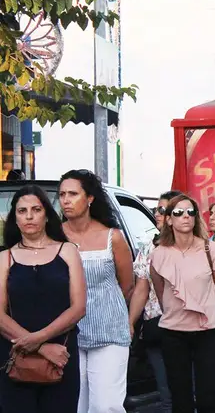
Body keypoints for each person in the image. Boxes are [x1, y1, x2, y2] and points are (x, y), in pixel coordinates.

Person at [0, 185, 86, 413]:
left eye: (36, 209)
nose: (29, 216)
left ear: (46, 215)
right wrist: (42, 347)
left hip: (62, 356)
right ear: (14, 218)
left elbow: (78, 308)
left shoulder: (68, 251)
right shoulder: (4, 257)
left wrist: (39, 340)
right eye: (22, 211)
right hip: (15, 357)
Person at [59, 170, 132, 413]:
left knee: (106, 405)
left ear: (90, 198)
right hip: (67, 332)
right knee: (74, 404)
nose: (66, 200)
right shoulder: (54, 237)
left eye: (73, 194)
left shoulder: (113, 237)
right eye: (61, 195)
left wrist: (104, 305)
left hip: (109, 330)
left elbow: (126, 284)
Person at [150, 195, 215, 413]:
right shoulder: (159, 254)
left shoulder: (211, 250)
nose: (186, 216)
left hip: (208, 332)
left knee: (208, 395)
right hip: (173, 332)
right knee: (179, 396)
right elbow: (160, 290)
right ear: (169, 220)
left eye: (191, 212)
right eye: (178, 212)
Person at [128, 190, 182, 413]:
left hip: (187, 328)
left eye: (162, 210)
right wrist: (130, 323)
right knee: (166, 394)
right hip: (155, 326)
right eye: (156, 210)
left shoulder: (195, 246)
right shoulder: (149, 247)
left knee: (188, 391)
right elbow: (141, 288)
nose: (156, 215)